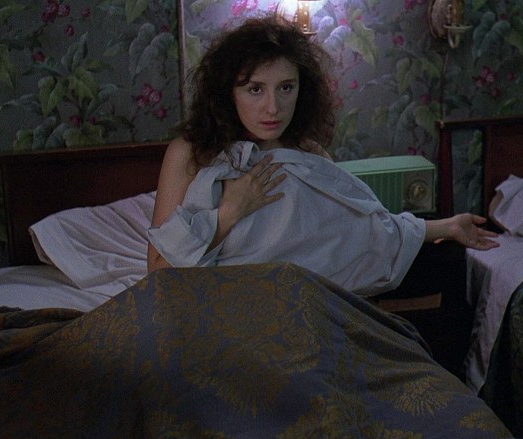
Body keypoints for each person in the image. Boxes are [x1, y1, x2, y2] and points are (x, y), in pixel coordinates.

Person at [147, 15, 498, 296]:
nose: (273, 107)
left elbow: (360, 233)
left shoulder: (307, 151)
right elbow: (158, 272)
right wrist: (229, 212)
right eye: (255, 89)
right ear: (228, 92)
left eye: (286, 87)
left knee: (451, 262)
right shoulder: (190, 152)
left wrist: (448, 226)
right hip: (235, 306)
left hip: (310, 302)